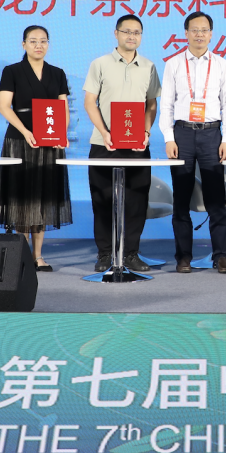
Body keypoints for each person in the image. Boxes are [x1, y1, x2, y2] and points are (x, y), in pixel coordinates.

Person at [83, 15, 162, 273]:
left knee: (137, 201)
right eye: (126, 31)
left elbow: (151, 104)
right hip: (103, 143)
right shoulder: (100, 64)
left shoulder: (149, 66)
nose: (131, 36)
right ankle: (105, 254)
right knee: (102, 200)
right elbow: (89, 102)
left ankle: (130, 254)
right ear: (115, 33)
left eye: (136, 32)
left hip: (137, 144)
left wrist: (146, 132)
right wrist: (104, 132)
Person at [159, 11, 226, 274]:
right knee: (181, 198)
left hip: (212, 134)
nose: (199, 34)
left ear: (211, 34)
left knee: (216, 198)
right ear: (186, 33)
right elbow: (166, 104)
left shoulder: (221, 64)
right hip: (182, 134)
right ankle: (183, 257)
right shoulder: (173, 64)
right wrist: (169, 137)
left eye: (204, 30)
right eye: (194, 30)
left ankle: (222, 255)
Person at [0, 24, 72, 271]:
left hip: (49, 140)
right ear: (23, 44)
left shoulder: (57, 73)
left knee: (42, 196)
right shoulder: (12, 71)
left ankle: (38, 255)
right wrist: (26, 132)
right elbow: (4, 106)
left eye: (43, 41)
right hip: (19, 139)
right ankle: (21, 255)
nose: (39, 45)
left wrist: (62, 134)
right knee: (22, 197)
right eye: (33, 41)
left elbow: (63, 108)